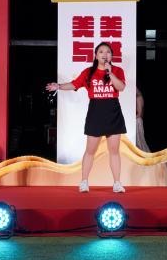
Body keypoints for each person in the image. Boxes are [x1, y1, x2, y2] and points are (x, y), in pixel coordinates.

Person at [46, 42, 127, 193]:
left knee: (114, 150)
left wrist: (111, 73)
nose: (105, 54)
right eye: (101, 52)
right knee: (90, 150)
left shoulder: (117, 70)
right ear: (96, 56)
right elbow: (74, 84)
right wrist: (59, 86)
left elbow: (121, 87)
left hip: (113, 112)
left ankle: (117, 183)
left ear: (111, 56)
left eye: (108, 52)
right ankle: (84, 181)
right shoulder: (88, 72)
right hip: (95, 112)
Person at [135, 87, 150, 152]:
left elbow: (139, 113)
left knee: (139, 141)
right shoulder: (139, 97)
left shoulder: (139, 98)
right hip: (138, 121)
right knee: (139, 140)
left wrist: (131, 119)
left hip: (137, 121)